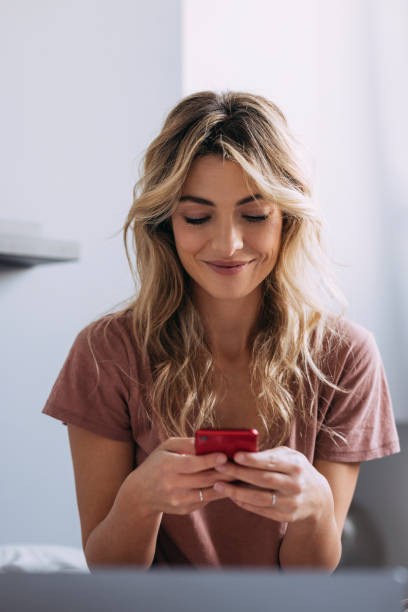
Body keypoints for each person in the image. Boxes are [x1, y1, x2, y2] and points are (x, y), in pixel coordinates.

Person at [42, 90, 400, 571]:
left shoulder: (345, 355)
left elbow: (310, 576)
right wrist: (140, 499)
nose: (229, 244)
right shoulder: (107, 352)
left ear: (287, 220)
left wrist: (315, 507)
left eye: (254, 216)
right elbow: (110, 571)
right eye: (197, 217)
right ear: (166, 223)